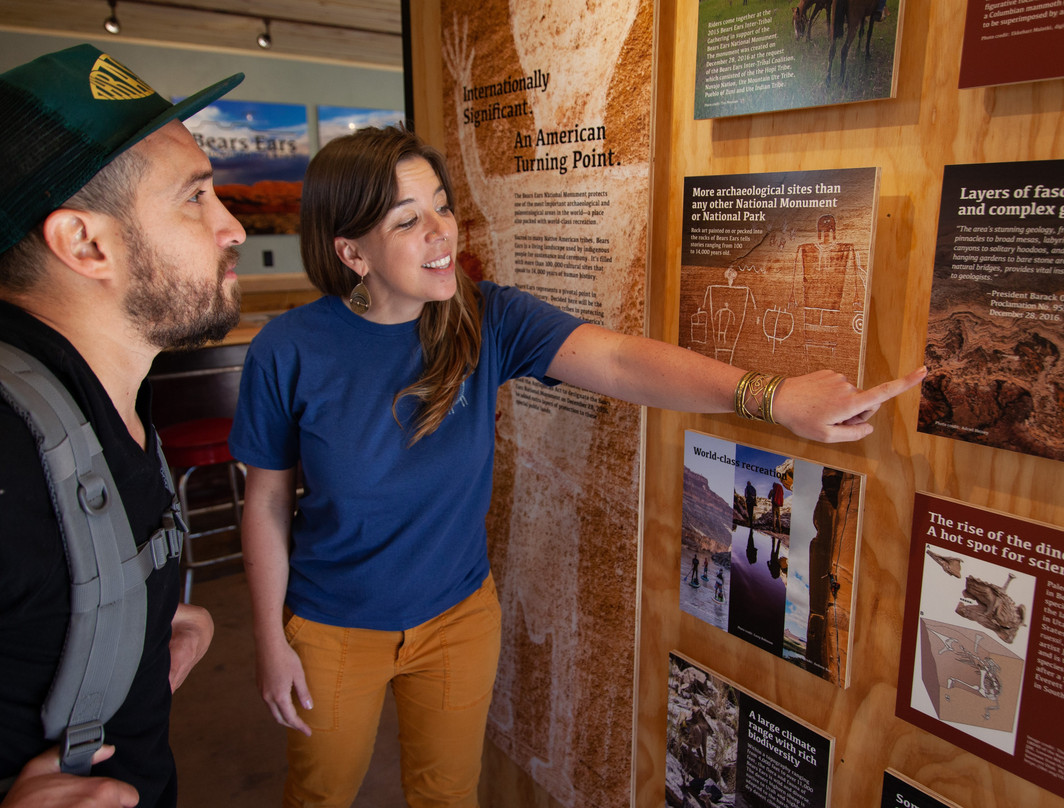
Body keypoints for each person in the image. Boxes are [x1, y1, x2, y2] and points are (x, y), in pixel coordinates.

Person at [230, 124, 925, 808]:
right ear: (352, 252)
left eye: (442, 204)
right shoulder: (288, 351)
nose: (443, 232)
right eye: (409, 220)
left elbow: (620, 359)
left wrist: (771, 396)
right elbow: (264, 502)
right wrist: (270, 640)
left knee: (448, 794)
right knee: (321, 792)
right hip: (332, 627)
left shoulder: (486, 319)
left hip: (456, 620)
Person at [0, 45, 247, 807]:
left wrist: (143, 628)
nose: (232, 227)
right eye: (195, 198)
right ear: (86, 244)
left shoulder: (103, 395)